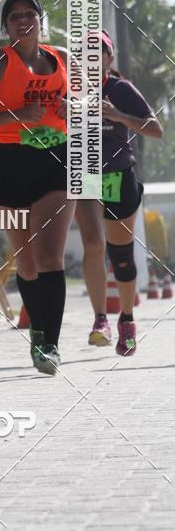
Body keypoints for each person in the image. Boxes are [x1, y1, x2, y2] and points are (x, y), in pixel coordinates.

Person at [0, 0, 76, 376]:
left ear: (41, 20)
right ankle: (37, 331)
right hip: (10, 162)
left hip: (56, 160)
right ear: (6, 25)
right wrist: (16, 115)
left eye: (29, 14)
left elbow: (89, 106)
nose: (23, 21)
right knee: (25, 263)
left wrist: (72, 108)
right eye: (14, 17)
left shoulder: (62, 59)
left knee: (49, 257)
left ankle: (51, 345)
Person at [75, 30, 163, 355]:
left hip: (117, 175)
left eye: (98, 54)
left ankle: (126, 319)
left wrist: (116, 115)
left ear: (109, 59)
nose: (91, 60)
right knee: (94, 246)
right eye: (84, 55)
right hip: (85, 176)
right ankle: (100, 319)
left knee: (121, 257)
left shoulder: (120, 89)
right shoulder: (71, 91)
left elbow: (156, 129)